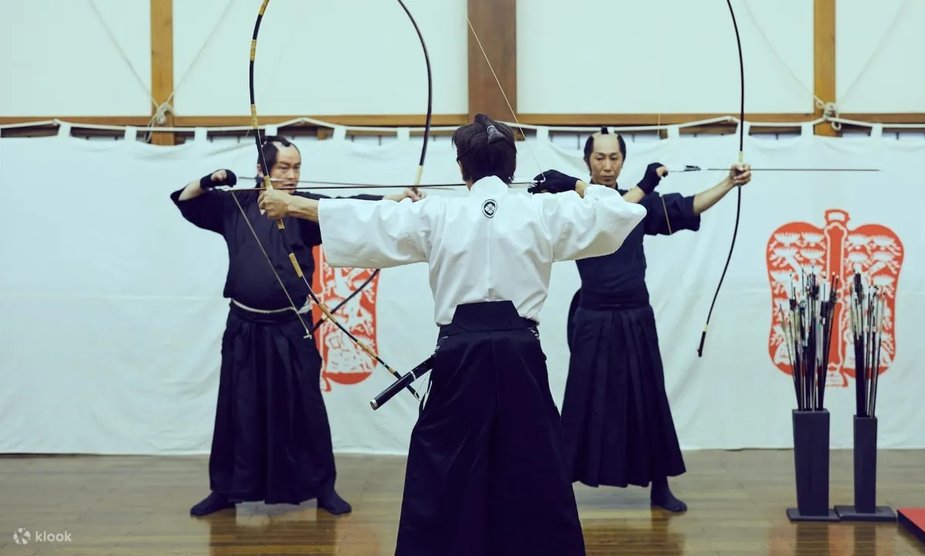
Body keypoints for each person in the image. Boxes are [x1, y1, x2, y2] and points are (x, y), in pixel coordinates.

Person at [257, 115, 647, 555]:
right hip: (520, 352)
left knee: (443, 464)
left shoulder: (438, 212)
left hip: (460, 352)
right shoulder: (543, 209)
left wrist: (290, 205)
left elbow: (372, 220)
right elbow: (626, 211)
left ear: (462, 168)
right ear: (512, 166)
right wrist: (574, 183)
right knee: (536, 463)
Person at [171, 135, 418, 517]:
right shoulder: (234, 205)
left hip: (292, 327)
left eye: (296, 167)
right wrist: (208, 179)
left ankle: (323, 489)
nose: (291, 175)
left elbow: (348, 209)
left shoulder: (303, 208)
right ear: (261, 169)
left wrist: (394, 199)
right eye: (283, 167)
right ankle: (225, 489)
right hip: (244, 327)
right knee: (238, 408)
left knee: (306, 408)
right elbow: (184, 200)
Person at [531, 127, 751, 512]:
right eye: (599, 158)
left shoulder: (637, 205)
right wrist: (642, 183)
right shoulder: (578, 205)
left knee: (647, 398)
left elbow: (688, 206)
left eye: (614, 157)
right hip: (593, 317)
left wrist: (728, 183)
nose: (606, 165)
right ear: (587, 161)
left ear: (622, 160)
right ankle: (558, 492)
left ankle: (660, 486)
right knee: (581, 402)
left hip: (636, 315)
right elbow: (608, 211)